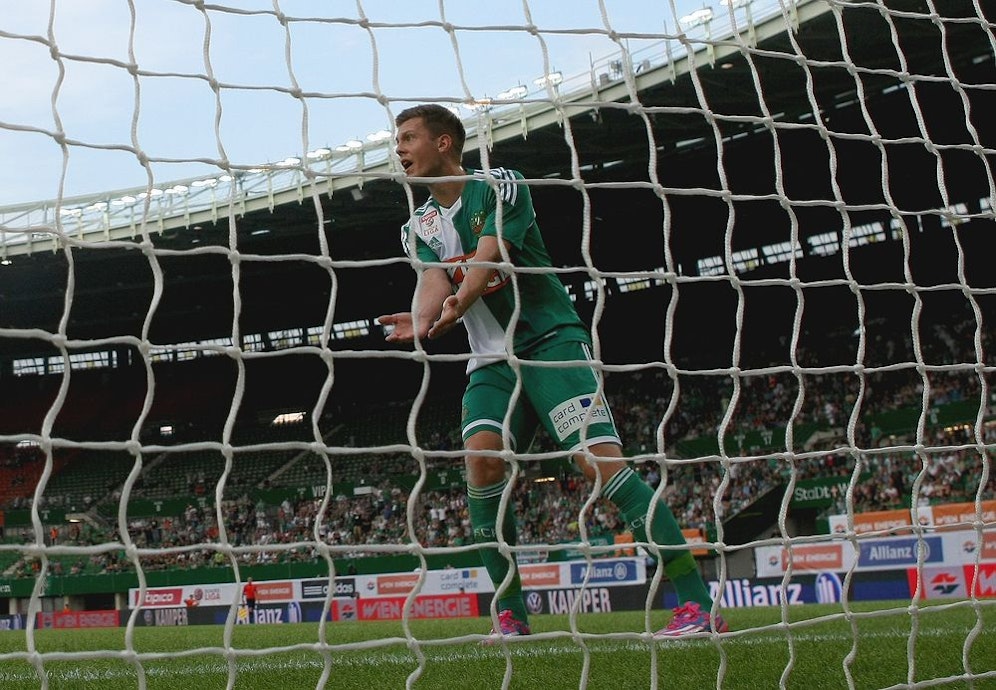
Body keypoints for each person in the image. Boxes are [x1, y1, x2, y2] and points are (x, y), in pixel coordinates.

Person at [378, 104, 727, 640]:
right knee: (481, 465)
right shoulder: (417, 225)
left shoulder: (500, 186)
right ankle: (511, 615)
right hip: (491, 361)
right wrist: (422, 321)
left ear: (443, 142)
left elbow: (488, 259)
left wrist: (455, 306)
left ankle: (698, 606)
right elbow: (432, 282)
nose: (398, 149)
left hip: (550, 344)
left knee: (599, 466)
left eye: (407, 137)